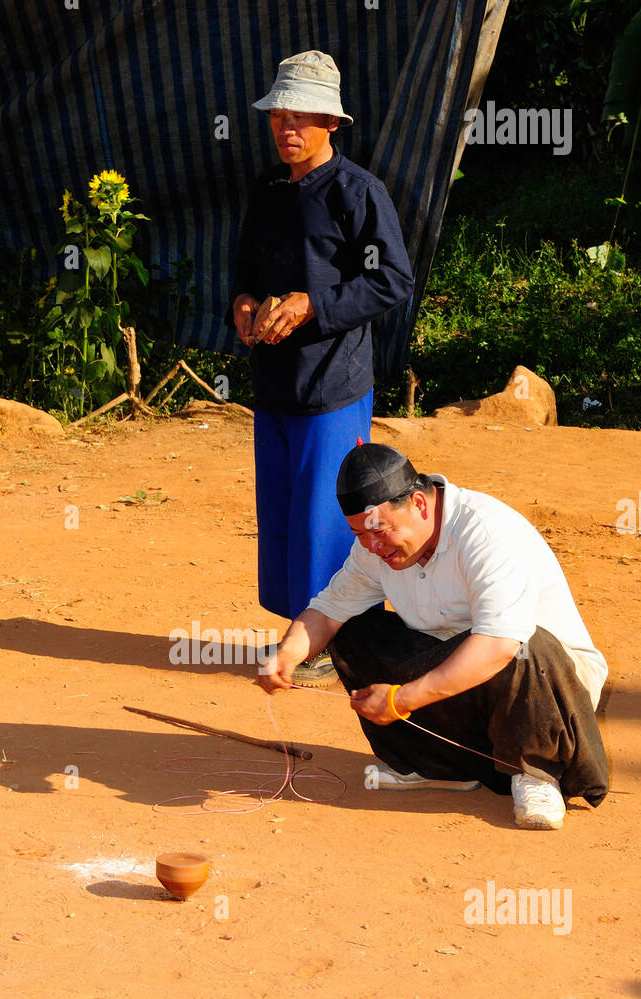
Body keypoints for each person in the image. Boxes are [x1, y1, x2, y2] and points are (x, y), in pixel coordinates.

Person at [258, 442, 609, 830]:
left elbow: (497, 646)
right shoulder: (374, 551)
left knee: (527, 645)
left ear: (421, 505)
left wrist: (401, 699)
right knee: (354, 632)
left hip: (544, 685)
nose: (373, 547)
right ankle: (436, 764)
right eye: (359, 534)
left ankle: (538, 771)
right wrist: (288, 655)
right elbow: (326, 611)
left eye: (378, 531)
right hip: (458, 673)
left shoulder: (487, 532)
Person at [228, 51, 414, 686]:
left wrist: (317, 305)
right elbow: (248, 266)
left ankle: (333, 643)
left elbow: (392, 280)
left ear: (332, 123)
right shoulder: (268, 190)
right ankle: (298, 634)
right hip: (274, 383)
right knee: (282, 513)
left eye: (303, 117)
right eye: (280, 115)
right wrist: (246, 299)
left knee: (326, 514)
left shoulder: (358, 192)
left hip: (333, 382)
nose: (288, 128)